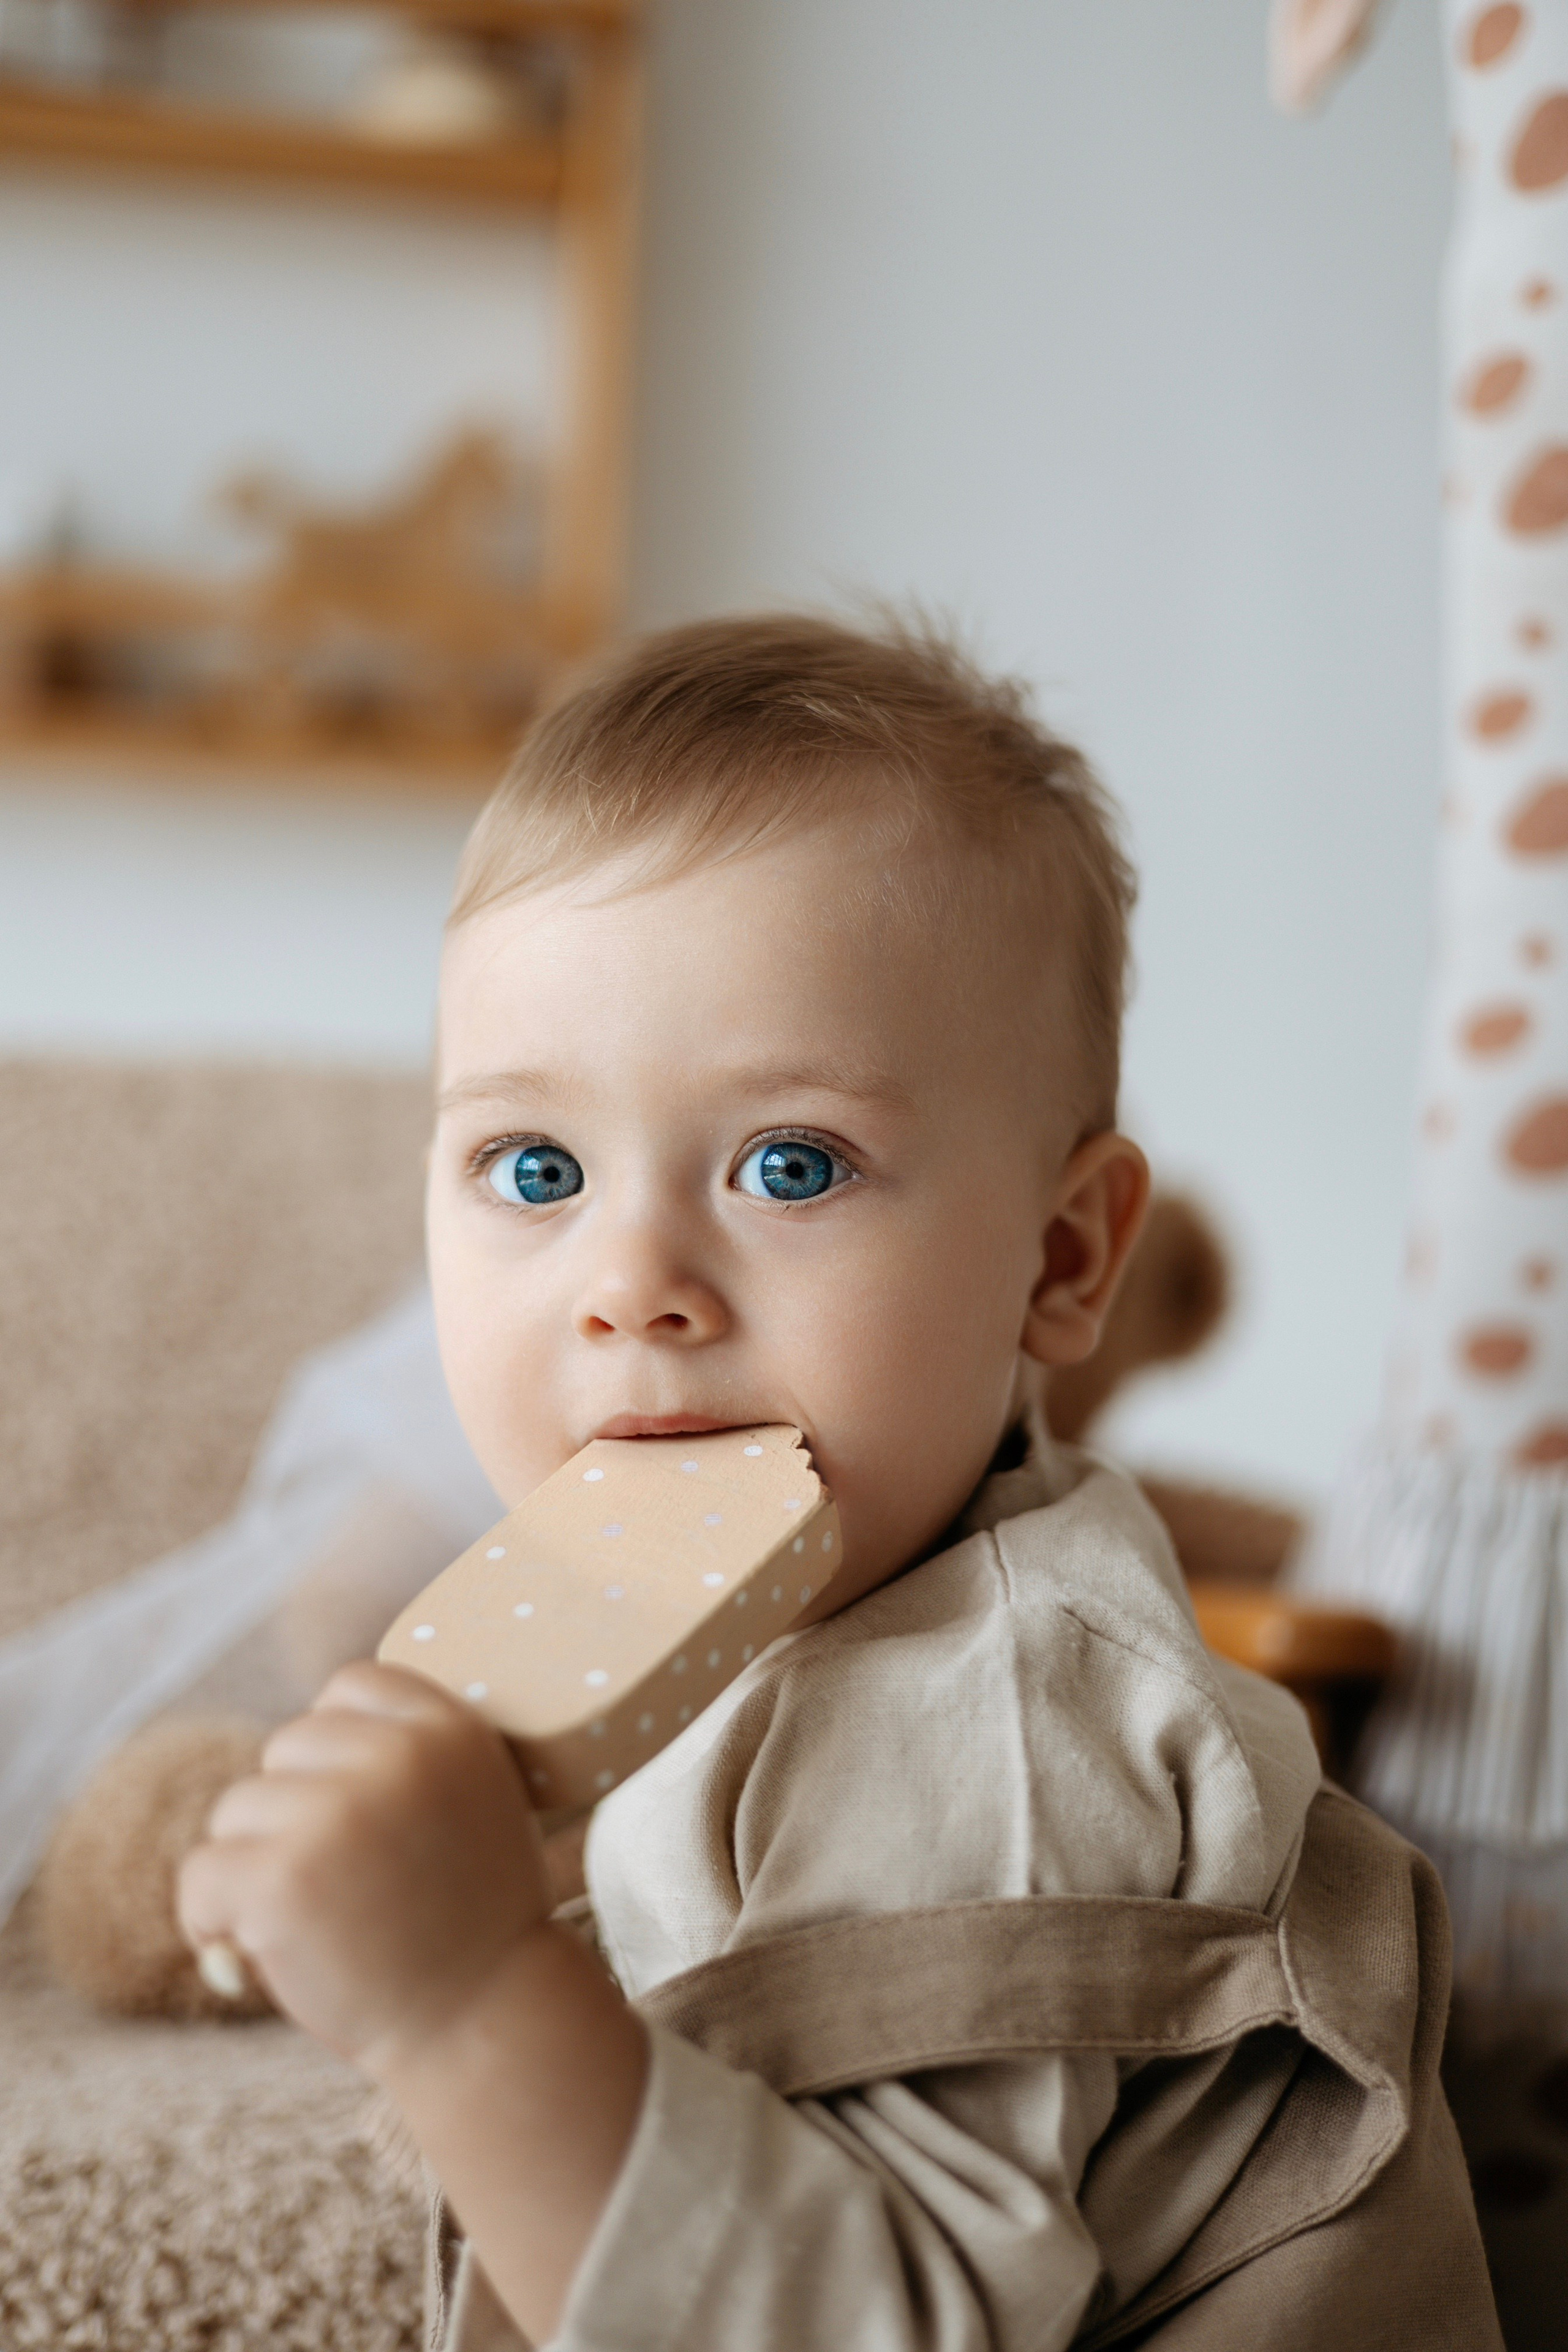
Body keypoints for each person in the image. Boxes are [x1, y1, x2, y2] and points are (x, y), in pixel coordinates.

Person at [178, 614, 1499, 2351]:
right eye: (536, 1166)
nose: (631, 1283)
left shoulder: (1010, 1724)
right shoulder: (770, 1617)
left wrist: (466, 2000)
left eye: (790, 1165)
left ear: (1063, 1258)